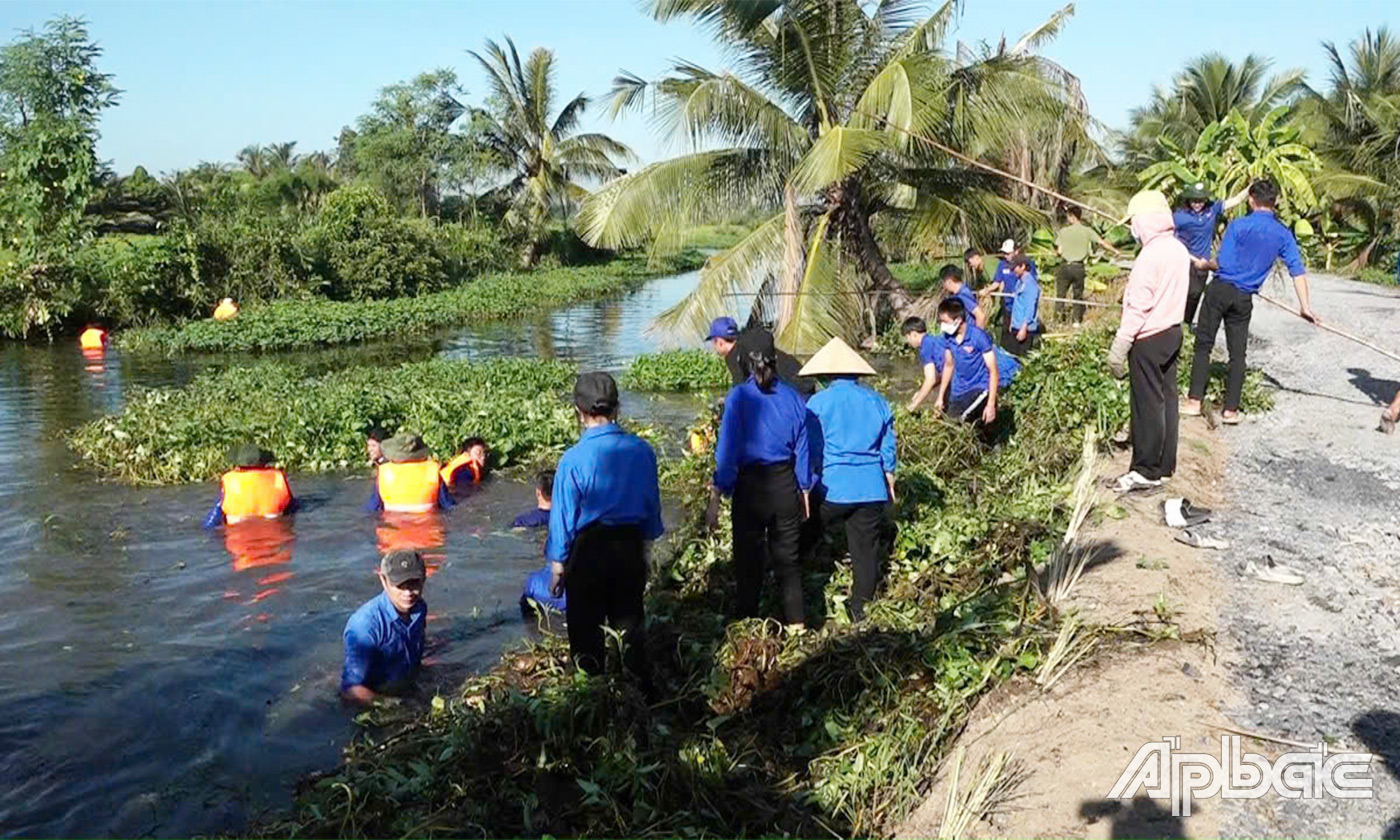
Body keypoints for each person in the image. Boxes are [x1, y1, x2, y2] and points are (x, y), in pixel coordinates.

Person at [545, 372, 664, 681]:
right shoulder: (642, 450)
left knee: (586, 639)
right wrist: (645, 554)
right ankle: (639, 699)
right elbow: (651, 509)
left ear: (578, 411)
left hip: (589, 556)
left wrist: (557, 567)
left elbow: (562, 521)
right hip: (630, 549)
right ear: (617, 408)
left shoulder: (572, 459)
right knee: (631, 632)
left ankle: (593, 701)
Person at [1183, 179, 1319, 424]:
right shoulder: (1283, 234)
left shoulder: (1239, 225)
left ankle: (1194, 401)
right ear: (1275, 202)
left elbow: (1221, 263)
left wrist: (1204, 264)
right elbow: (1297, 271)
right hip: (1243, 298)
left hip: (1220, 290)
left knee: (1203, 345)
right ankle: (1231, 410)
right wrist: (1305, 307)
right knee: (1238, 354)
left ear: (1251, 200)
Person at [707, 332, 814, 630]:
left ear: (744, 361)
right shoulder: (794, 398)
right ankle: (797, 627)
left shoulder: (738, 397)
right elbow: (802, 453)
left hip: (750, 488)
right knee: (788, 563)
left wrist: (720, 493)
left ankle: (748, 626)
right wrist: (804, 490)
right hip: (784, 485)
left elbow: (726, 453)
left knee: (748, 562)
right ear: (774, 359)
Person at [799, 337, 896, 622]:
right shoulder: (878, 402)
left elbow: (812, 451)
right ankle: (860, 612)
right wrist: (889, 479)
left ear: (826, 375)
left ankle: (789, 585)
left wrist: (806, 484)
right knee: (865, 554)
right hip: (870, 488)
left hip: (833, 489)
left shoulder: (817, 403)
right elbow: (888, 451)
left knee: (804, 533)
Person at [1106, 190, 1191, 494]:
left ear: (1145, 221)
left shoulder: (1149, 256)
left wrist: (1120, 345)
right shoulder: (1179, 249)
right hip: (1172, 331)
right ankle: (1164, 464)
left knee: (1146, 405)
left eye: (1134, 223)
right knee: (1167, 401)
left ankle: (1145, 470)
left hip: (1148, 337)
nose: (1133, 230)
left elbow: (1138, 307)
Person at [341, 549, 427, 705]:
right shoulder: (364, 627)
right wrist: (392, 705)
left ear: (424, 579)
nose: (408, 592)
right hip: (376, 695)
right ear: (383, 580)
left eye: (414, 583)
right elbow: (351, 690)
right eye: (400, 585)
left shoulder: (419, 608)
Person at [1173, 182, 1250, 326]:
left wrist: (1250, 188)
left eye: (1201, 201)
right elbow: (1167, 232)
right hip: (1185, 260)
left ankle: (1186, 324)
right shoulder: (1180, 216)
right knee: (1182, 293)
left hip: (1202, 263)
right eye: (1194, 201)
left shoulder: (1212, 210)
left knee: (1196, 294)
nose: (1197, 204)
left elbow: (1236, 200)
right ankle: (1175, 322)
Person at [705, 316, 816, 397]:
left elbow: (739, 389)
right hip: (804, 384)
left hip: (794, 392)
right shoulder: (748, 344)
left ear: (719, 342)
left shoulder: (735, 356)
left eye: (714, 343)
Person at [933, 297, 1001, 424]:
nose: (942, 326)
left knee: (961, 422)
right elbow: (948, 365)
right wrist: (940, 397)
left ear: (958, 320)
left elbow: (993, 371)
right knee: (949, 424)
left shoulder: (978, 337)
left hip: (979, 388)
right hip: (959, 390)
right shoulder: (948, 338)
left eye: (945, 321)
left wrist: (991, 404)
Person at [1054, 205, 1122, 325]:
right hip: (1078, 267)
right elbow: (1102, 243)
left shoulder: (1064, 232)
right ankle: (1076, 321)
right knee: (1077, 295)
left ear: (1072, 216)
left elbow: (1059, 251)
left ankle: (1058, 320)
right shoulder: (1087, 231)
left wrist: (1058, 253)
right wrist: (1116, 251)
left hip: (1065, 267)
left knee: (1061, 295)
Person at [203, 442, 296, 528]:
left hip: (237, 527)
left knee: (220, 507)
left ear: (238, 465)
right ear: (263, 463)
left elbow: (222, 506)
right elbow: (291, 505)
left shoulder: (229, 479)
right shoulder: (277, 476)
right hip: (274, 523)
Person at [366, 433, 455, 513]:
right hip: (428, 528)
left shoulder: (384, 472)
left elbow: (372, 508)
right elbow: (448, 505)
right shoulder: (433, 470)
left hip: (392, 527)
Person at [902, 316, 946, 412]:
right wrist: (920, 391)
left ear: (913, 334)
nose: (908, 342)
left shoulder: (925, 347)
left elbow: (930, 379)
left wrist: (913, 405)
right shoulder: (935, 340)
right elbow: (941, 374)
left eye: (907, 337)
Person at [1004, 255, 1043, 357]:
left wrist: (1023, 328)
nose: (1013, 270)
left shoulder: (1030, 285)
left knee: (1021, 358)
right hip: (1016, 325)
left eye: (1015, 267)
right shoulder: (1020, 282)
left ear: (1023, 267)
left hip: (1024, 328)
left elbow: (1030, 308)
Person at [940, 265, 987, 329]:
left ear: (949, 282)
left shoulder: (963, 296)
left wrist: (977, 335)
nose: (944, 286)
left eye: (943, 283)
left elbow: (980, 315)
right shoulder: (961, 293)